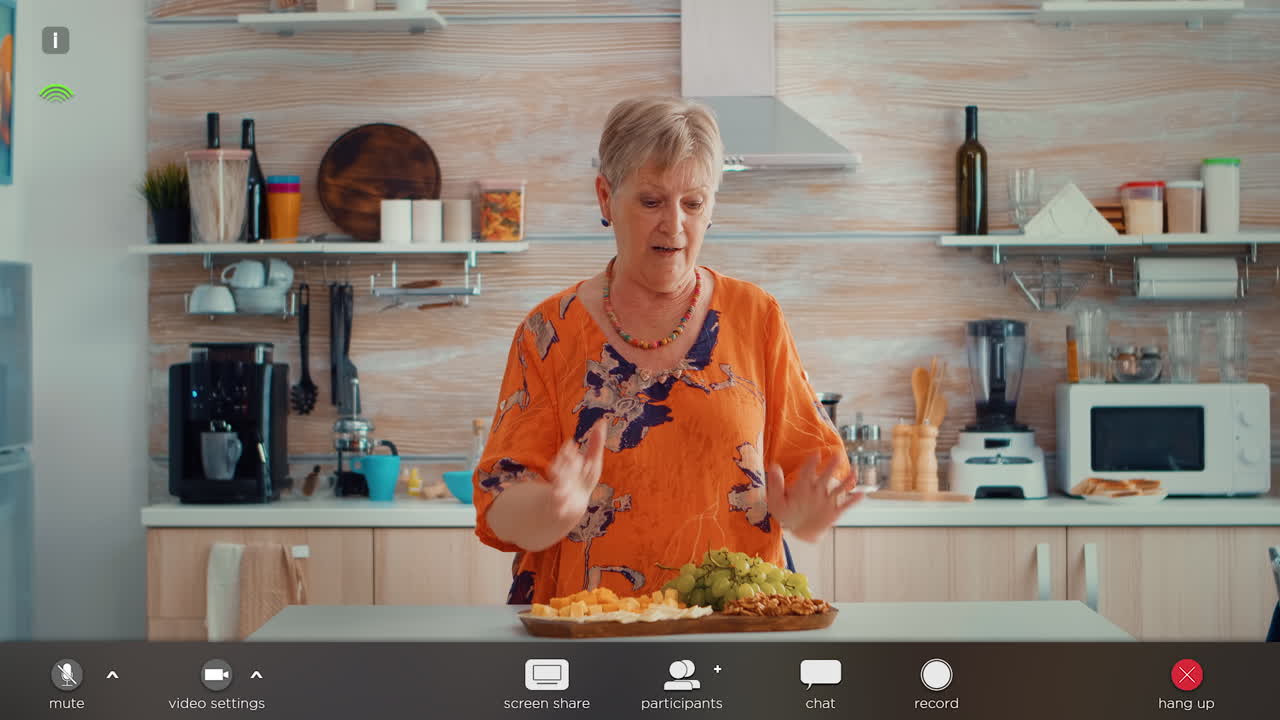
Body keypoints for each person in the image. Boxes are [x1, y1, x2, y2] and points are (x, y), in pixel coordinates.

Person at [472, 96, 862, 604]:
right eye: (651, 201)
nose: (674, 225)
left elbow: (812, 474)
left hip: (735, 625)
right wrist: (553, 509)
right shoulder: (549, 331)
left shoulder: (756, 317)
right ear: (605, 198)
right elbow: (498, 502)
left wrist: (808, 514)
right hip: (587, 633)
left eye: (693, 203)